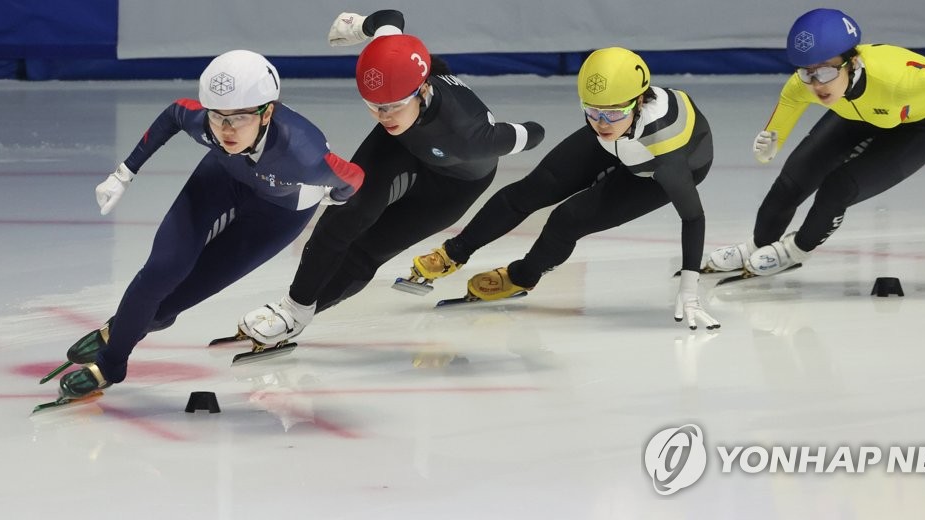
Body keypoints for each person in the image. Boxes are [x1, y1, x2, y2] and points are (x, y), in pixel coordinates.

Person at [43, 50, 364, 401]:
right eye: (218, 117)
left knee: (168, 306)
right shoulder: (207, 126)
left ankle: (118, 329)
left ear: (267, 112)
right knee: (162, 270)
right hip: (223, 178)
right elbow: (174, 113)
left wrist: (336, 198)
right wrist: (124, 173)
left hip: (276, 215)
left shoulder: (303, 154)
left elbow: (353, 177)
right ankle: (110, 364)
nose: (225, 130)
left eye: (238, 118)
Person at [239, 10, 545, 345]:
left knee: (368, 250)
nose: (383, 116)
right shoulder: (392, 66)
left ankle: (298, 317)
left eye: (393, 107)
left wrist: (517, 133)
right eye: (373, 106)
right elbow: (389, 18)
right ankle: (291, 310)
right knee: (347, 213)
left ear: (422, 89)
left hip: (452, 186)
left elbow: (535, 132)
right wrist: (358, 26)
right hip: (400, 148)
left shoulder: (469, 136)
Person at [408, 47, 721, 330]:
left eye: (611, 112)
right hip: (624, 140)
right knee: (532, 189)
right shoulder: (610, 118)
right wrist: (607, 117)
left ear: (639, 101)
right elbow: (606, 119)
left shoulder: (666, 150)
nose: (601, 122)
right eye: (592, 111)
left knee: (566, 220)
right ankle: (454, 252)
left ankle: (521, 276)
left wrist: (690, 289)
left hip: (651, 171)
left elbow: (693, 217)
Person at [705, 8, 925, 275]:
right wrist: (770, 145)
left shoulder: (901, 84)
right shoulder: (804, 85)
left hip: (919, 126)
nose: (818, 84)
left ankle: (796, 251)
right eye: (807, 73)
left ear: (853, 63)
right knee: (794, 177)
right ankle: (757, 245)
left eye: (826, 72)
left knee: (839, 187)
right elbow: (785, 110)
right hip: (858, 111)